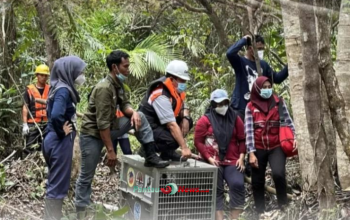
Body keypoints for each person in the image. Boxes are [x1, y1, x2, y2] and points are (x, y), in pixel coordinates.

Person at [75, 50, 169, 215]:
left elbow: (125, 105)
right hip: (93, 134)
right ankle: (80, 211)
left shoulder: (117, 84)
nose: (128, 69)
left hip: (109, 128)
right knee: (87, 174)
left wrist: (133, 113)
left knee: (140, 116)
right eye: (125, 66)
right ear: (114, 67)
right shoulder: (104, 88)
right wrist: (111, 151)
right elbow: (101, 123)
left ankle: (150, 155)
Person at [42, 56, 87, 220]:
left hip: (51, 139)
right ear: (70, 71)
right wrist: (63, 131)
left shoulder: (56, 87)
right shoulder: (63, 90)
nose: (82, 75)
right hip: (59, 142)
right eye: (79, 71)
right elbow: (55, 115)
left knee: (54, 182)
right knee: (58, 187)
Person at [245, 76, 296, 215]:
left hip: (276, 146)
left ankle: (283, 207)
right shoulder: (250, 106)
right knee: (257, 180)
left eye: (269, 87)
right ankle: (260, 211)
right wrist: (251, 152)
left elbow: (288, 121)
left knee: (279, 174)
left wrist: (295, 136)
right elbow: (248, 130)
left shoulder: (279, 102)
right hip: (258, 147)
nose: (267, 90)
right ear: (257, 89)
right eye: (264, 87)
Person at [194, 89, 246, 220]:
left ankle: (235, 218)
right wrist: (208, 157)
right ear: (213, 105)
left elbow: (242, 139)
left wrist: (241, 157)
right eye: (218, 104)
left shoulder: (235, 118)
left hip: (232, 159)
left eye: (224, 103)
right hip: (213, 160)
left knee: (237, 184)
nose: (221, 106)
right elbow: (198, 141)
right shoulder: (205, 120)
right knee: (216, 190)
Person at [138, 60, 192, 162]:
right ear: (172, 79)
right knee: (174, 140)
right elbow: (171, 125)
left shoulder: (176, 90)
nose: (184, 84)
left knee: (188, 121)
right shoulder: (161, 94)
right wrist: (184, 147)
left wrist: (185, 117)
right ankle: (147, 150)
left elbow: (183, 107)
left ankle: (167, 153)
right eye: (182, 80)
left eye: (185, 81)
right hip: (148, 127)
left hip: (160, 125)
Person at [226, 35, 289, 119]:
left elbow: (277, 78)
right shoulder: (240, 62)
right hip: (241, 107)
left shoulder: (263, 64)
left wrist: (290, 66)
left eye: (262, 49)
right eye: (258, 49)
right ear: (249, 48)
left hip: (258, 108)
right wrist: (244, 40)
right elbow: (230, 53)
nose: (260, 51)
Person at [22, 64, 50, 155]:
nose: (44, 77)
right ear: (37, 75)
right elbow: (25, 107)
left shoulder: (50, 89)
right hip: (33, 123)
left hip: (46, 123)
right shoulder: (29, 90)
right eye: (41, 75)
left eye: (46, 75)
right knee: (29, 147)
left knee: (46, 146)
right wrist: (25, 124)